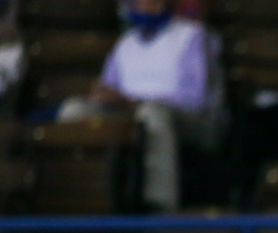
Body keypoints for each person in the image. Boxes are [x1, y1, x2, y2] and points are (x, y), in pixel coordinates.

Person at [55, 0, 222, 210]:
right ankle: (77, 202)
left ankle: (159, 208)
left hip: (191, 122)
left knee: (153, 114)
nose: (143, 5)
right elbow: (109, 88)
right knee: (74, 110)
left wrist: (135, 102)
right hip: (132, 112)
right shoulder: (126, 42)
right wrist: (104, 96)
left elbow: (195, 99)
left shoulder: (192, 36)